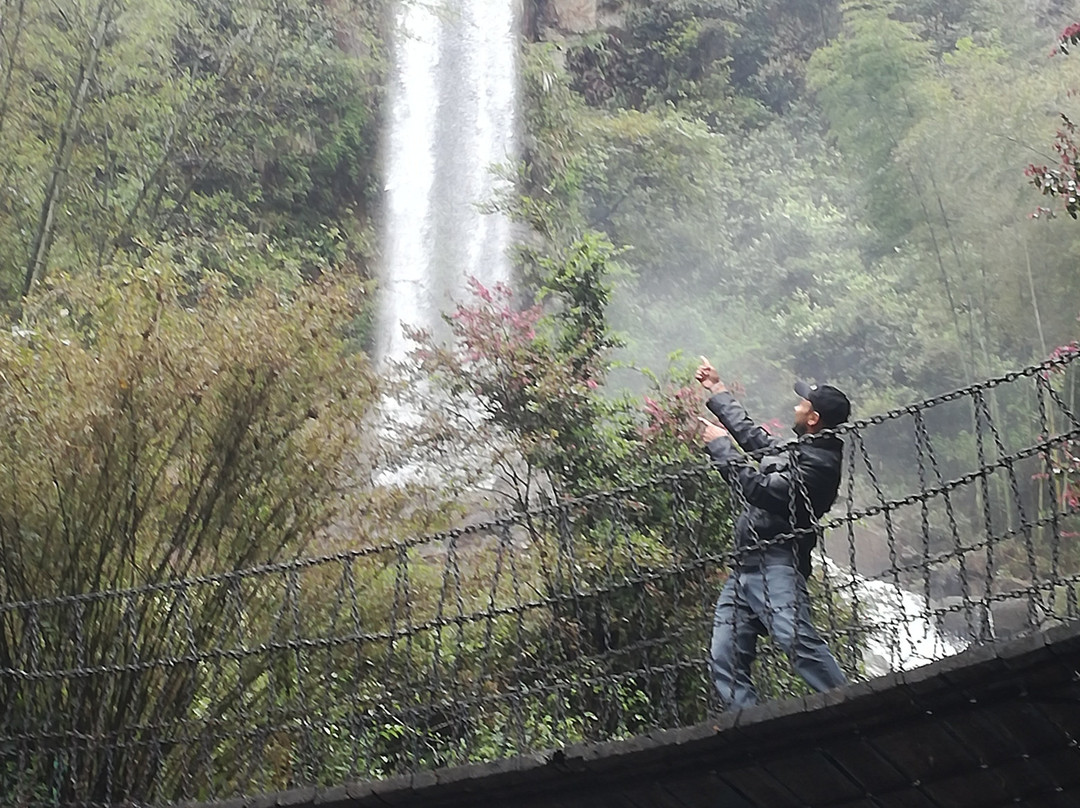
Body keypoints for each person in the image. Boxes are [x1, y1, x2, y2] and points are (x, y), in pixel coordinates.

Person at [694, 357, 850, 710]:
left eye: (802, 404)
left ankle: (849, 705)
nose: (796, 406)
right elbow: (753, 437)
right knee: (725, 653)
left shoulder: (820, 467)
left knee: (795, 638)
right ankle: (748, 723)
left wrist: (721, 448)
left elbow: (760, 490)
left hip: (777, 564)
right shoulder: (801, 450)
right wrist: (716, 388)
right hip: (745, 565)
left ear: (813, 418)